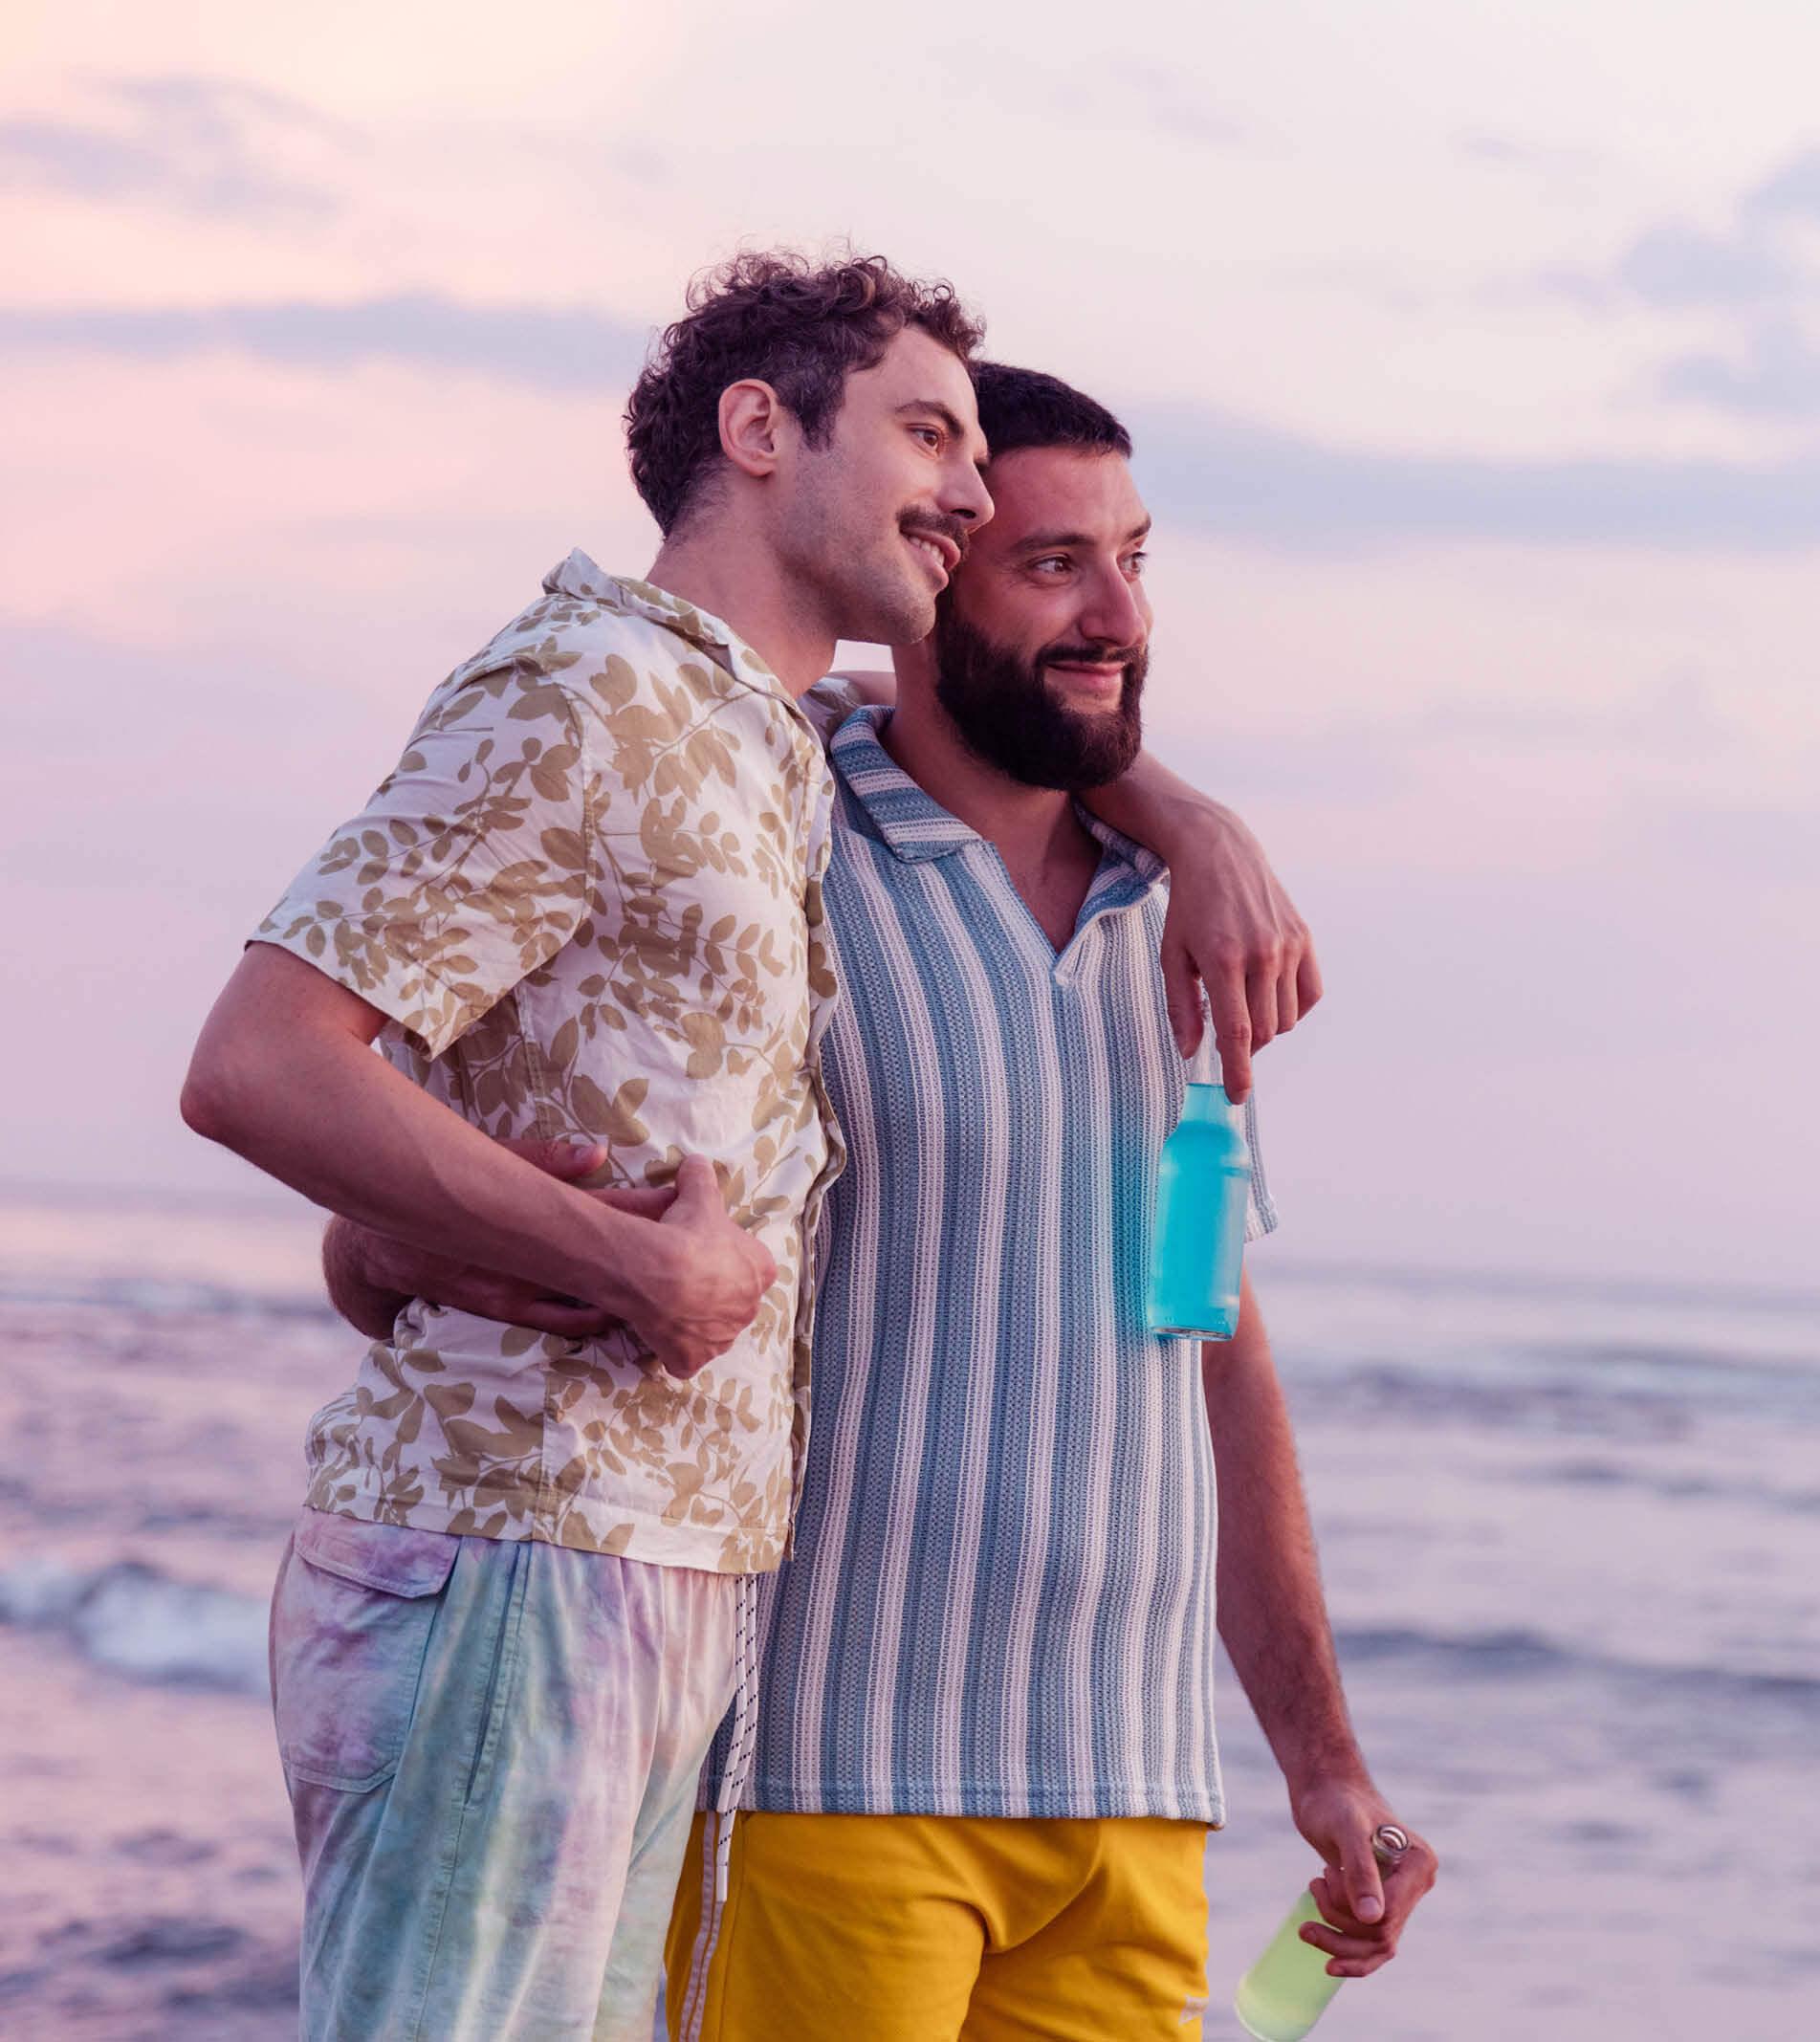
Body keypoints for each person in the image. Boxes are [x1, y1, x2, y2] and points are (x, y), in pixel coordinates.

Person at [332, 363, 1435, 2040]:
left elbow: (1207, 1343)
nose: (1119, 614)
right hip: (824, 1777)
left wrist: (1325, 1764)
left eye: (1134, 560)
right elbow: (388, 1218)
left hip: (1132, 1798)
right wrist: (425, 1248)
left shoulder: (1179, 924)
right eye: (1052, 564)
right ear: (927, 573)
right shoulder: (773, 835)